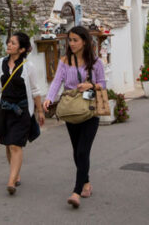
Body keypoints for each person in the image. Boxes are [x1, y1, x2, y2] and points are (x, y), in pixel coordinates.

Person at [42, 25, 106, 209]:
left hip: (90, 110)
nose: (71, 43)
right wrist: (49, 99)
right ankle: (86, 182)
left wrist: (91, 85)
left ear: (84, 41)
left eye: (75, 40)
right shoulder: (64, 61)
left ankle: (76, 192)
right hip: (72, 109)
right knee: (76, 149)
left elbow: (103, 84)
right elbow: (56, 82)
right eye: (69, 40)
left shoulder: (95, 62)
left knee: (83, 151)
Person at [0, 32, 45, 195]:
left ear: (21, 49)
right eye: (9, 42)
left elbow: (35, 90)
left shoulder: (29, 67)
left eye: (13, 43)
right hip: (5, 109)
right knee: (8, 143)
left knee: (15, 144)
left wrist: (39, 110)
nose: (9, 45)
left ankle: (11, 181)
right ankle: (16, 173)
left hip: (21, 112)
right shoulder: (0, 63)